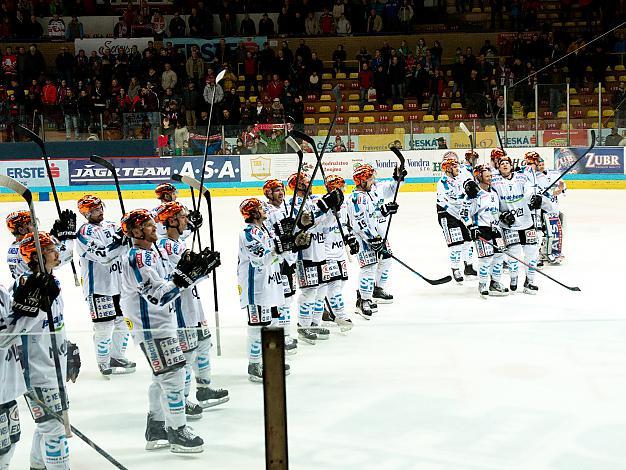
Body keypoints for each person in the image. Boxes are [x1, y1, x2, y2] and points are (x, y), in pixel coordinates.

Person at [120, 209, 218, 453]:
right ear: (135, 232)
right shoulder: (137, 258)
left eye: (153, 224)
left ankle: (156, 429)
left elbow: (171, 282)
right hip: (152, 326)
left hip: (163, 323)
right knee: (172, 378)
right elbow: (157, 296)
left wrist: (196, 273)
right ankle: (177, 431)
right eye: (148, 226)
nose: (155, 228)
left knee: (160, 378)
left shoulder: (152, 252)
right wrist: (184, 279)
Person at [154, 202, 229, 416]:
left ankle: (204, 389)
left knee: (204, 344)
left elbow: (192, 275)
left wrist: (204, 267)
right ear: (171, 221)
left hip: (193, 305)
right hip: (179, 308)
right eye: (182, 217)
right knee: (186, 356)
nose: (187, 220)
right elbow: (179, 278)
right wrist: (200, 270)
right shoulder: (165, 246)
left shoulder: (178, 243)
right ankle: (184, 399)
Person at [17, 231, 79, 470]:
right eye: (51, 250)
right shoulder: (25, 286)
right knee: (54, 428)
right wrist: (29, 303)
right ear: (36, 257)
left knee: (47, 425)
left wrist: (67, 349)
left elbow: (56, 324)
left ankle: (38, 466)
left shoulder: (53, 282)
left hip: (53, 363)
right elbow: (16, 329)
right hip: (37, 370)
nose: (58, 253)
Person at [237, 198, 311, 381]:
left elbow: (279, 251)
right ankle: (254, 365)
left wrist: (293, 243)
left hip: (271, 284)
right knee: (257, 328)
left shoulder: (265, 229)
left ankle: (270, 361)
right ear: (253, 213)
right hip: (256, 288)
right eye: (261, 208)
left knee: (273, 324)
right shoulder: (247, 234)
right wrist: (282, 246)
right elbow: (261, 258)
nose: (264, 210)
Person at [75, 195, 135, 377]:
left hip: (119, 284)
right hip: (99, 287)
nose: (99, 212)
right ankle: (103, 361)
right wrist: (118, 242)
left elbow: (129, 245)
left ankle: (116, 356)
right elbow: (103, 256)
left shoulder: (111, 225)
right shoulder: (84, 233)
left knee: (123, 322)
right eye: (94, 210)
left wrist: (129, 232)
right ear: (85, 214)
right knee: (104, 326)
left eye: (100, 208)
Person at [288, 173, 343, 341]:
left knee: (322, 290)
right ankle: (303, 326)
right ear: (298, 186)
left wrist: (335, 208)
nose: (310, 184)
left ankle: (315, 323)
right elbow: (306, 221)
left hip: (321, 252)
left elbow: (326, 223)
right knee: (309, 292)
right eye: (306, 182)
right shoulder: (293, 204)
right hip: (305, 254)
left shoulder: (315, 200)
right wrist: (323, 207)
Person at [347, 163, 405, 318]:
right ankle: (363, 300)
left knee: (386, 260)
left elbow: (390, 191)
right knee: (369, 267)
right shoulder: (355, 199)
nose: (373, 180)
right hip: (364, 238)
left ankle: (377, 289)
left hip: (378, 234)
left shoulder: (374, 189)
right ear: (361, 181)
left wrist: (398, 178)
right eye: (370, 178)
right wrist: (372, 239)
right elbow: (360, 222)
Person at [491, 154, 541, 293]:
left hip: (526, 221)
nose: (505, 165)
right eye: (502, 163)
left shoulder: (521, 177)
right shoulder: (494, 180)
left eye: (507, 163)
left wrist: (534, 198)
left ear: (512, 166)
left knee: (531, 252)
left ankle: (530, 281)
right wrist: (500, 215)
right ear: (498, 167)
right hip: (508, 224)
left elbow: (530, 189)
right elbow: (489, 198)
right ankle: (514, 278)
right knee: (514, 253)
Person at [261, 179, 299, 354]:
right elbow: (267, 234)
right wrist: (281, 232)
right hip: (276, 261)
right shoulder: (265, 210)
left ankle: (286, 333)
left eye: (281, 189)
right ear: (268, 193)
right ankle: (278, 335)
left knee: (288, 297)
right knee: (278, 299)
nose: (280, 193)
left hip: (289, 259)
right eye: (276, 190)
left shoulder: (287, 207)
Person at [321, 175, 358, 332]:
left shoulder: (344, 207)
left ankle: (325, 308)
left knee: (341, 283)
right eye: (340, 188)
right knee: (334, 286)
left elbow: (346, 226)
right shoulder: (323, 208)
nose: (343, 191)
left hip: (339, 252)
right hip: (326, 254)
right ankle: (340, 315)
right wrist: (329, 209)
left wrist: (351, 239)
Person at [467, 165, 509, 297]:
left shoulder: (494, 193)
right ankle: (483, 284)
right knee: (486, 259)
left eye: (491, 176)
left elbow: (495, 211)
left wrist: (503, 216)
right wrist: (471, 226)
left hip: (496, 228)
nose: (490, 179)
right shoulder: (475, 194)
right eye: (487, 176)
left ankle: (495, 283)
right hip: (482, 229)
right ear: (479, 177)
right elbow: (463, 212)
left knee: (499, 257)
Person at [436, 155, 473, 283]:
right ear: (447, 169)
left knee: (468, 240)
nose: (457, 168)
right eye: (454, 166)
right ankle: (455, 269)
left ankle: (468, 266)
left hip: (460, 213)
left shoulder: (459, 179)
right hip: (447, 215)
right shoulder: (442, 183)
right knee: (456, 245)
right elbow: (451, 202)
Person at [535, 155, 566, 265]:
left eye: (542, 164)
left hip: (554, 207)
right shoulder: (534, 177)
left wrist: (561, 187)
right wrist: (553, 192)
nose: (541, 166)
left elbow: (562, 186)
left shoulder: (553, 173)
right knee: (545, 231)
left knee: (556, 231)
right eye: (538, 165)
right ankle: (543, 252)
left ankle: (553, 251)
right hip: (542, 209)